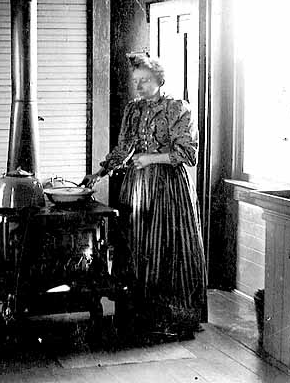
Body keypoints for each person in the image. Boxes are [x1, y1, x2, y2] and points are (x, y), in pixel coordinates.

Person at [82, 52, 207, 340]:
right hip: (137, 188)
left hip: (168, 190)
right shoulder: (133, 109)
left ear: (159, 80)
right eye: (136, 80)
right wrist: (99, 173)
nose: (138, 86)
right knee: (138, 247)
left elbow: (189, 154)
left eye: (145, 80)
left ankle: (171, 319)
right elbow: (124, 148)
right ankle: (138, 316)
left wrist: (151, 159)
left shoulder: (178, 108)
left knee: (166, 249)